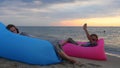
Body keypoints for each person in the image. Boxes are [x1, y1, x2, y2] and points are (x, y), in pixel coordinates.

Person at [6, 24, 80, 65]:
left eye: (14, 30)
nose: (14, 32)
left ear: (16, 29)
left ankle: (69, 59)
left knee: (54, 44)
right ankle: (67, 41)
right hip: (37, 45)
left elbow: (33, 39)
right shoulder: (13, 41)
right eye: (11, 31)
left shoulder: (22, 34)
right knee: (55, 44)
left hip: (39, 43)